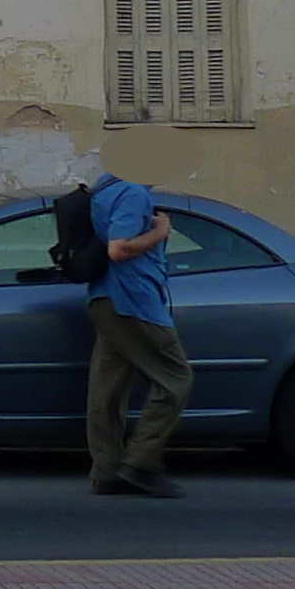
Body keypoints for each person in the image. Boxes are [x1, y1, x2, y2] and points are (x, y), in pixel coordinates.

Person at [84, 172, 190, 499]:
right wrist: (160, 232)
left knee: (109, 386)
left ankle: (107, 471)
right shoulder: (133, 193)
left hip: (105, 298)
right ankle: (139, 464)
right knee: (176, 378)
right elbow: (119, 249)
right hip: (134, 299)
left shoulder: (106, 189)